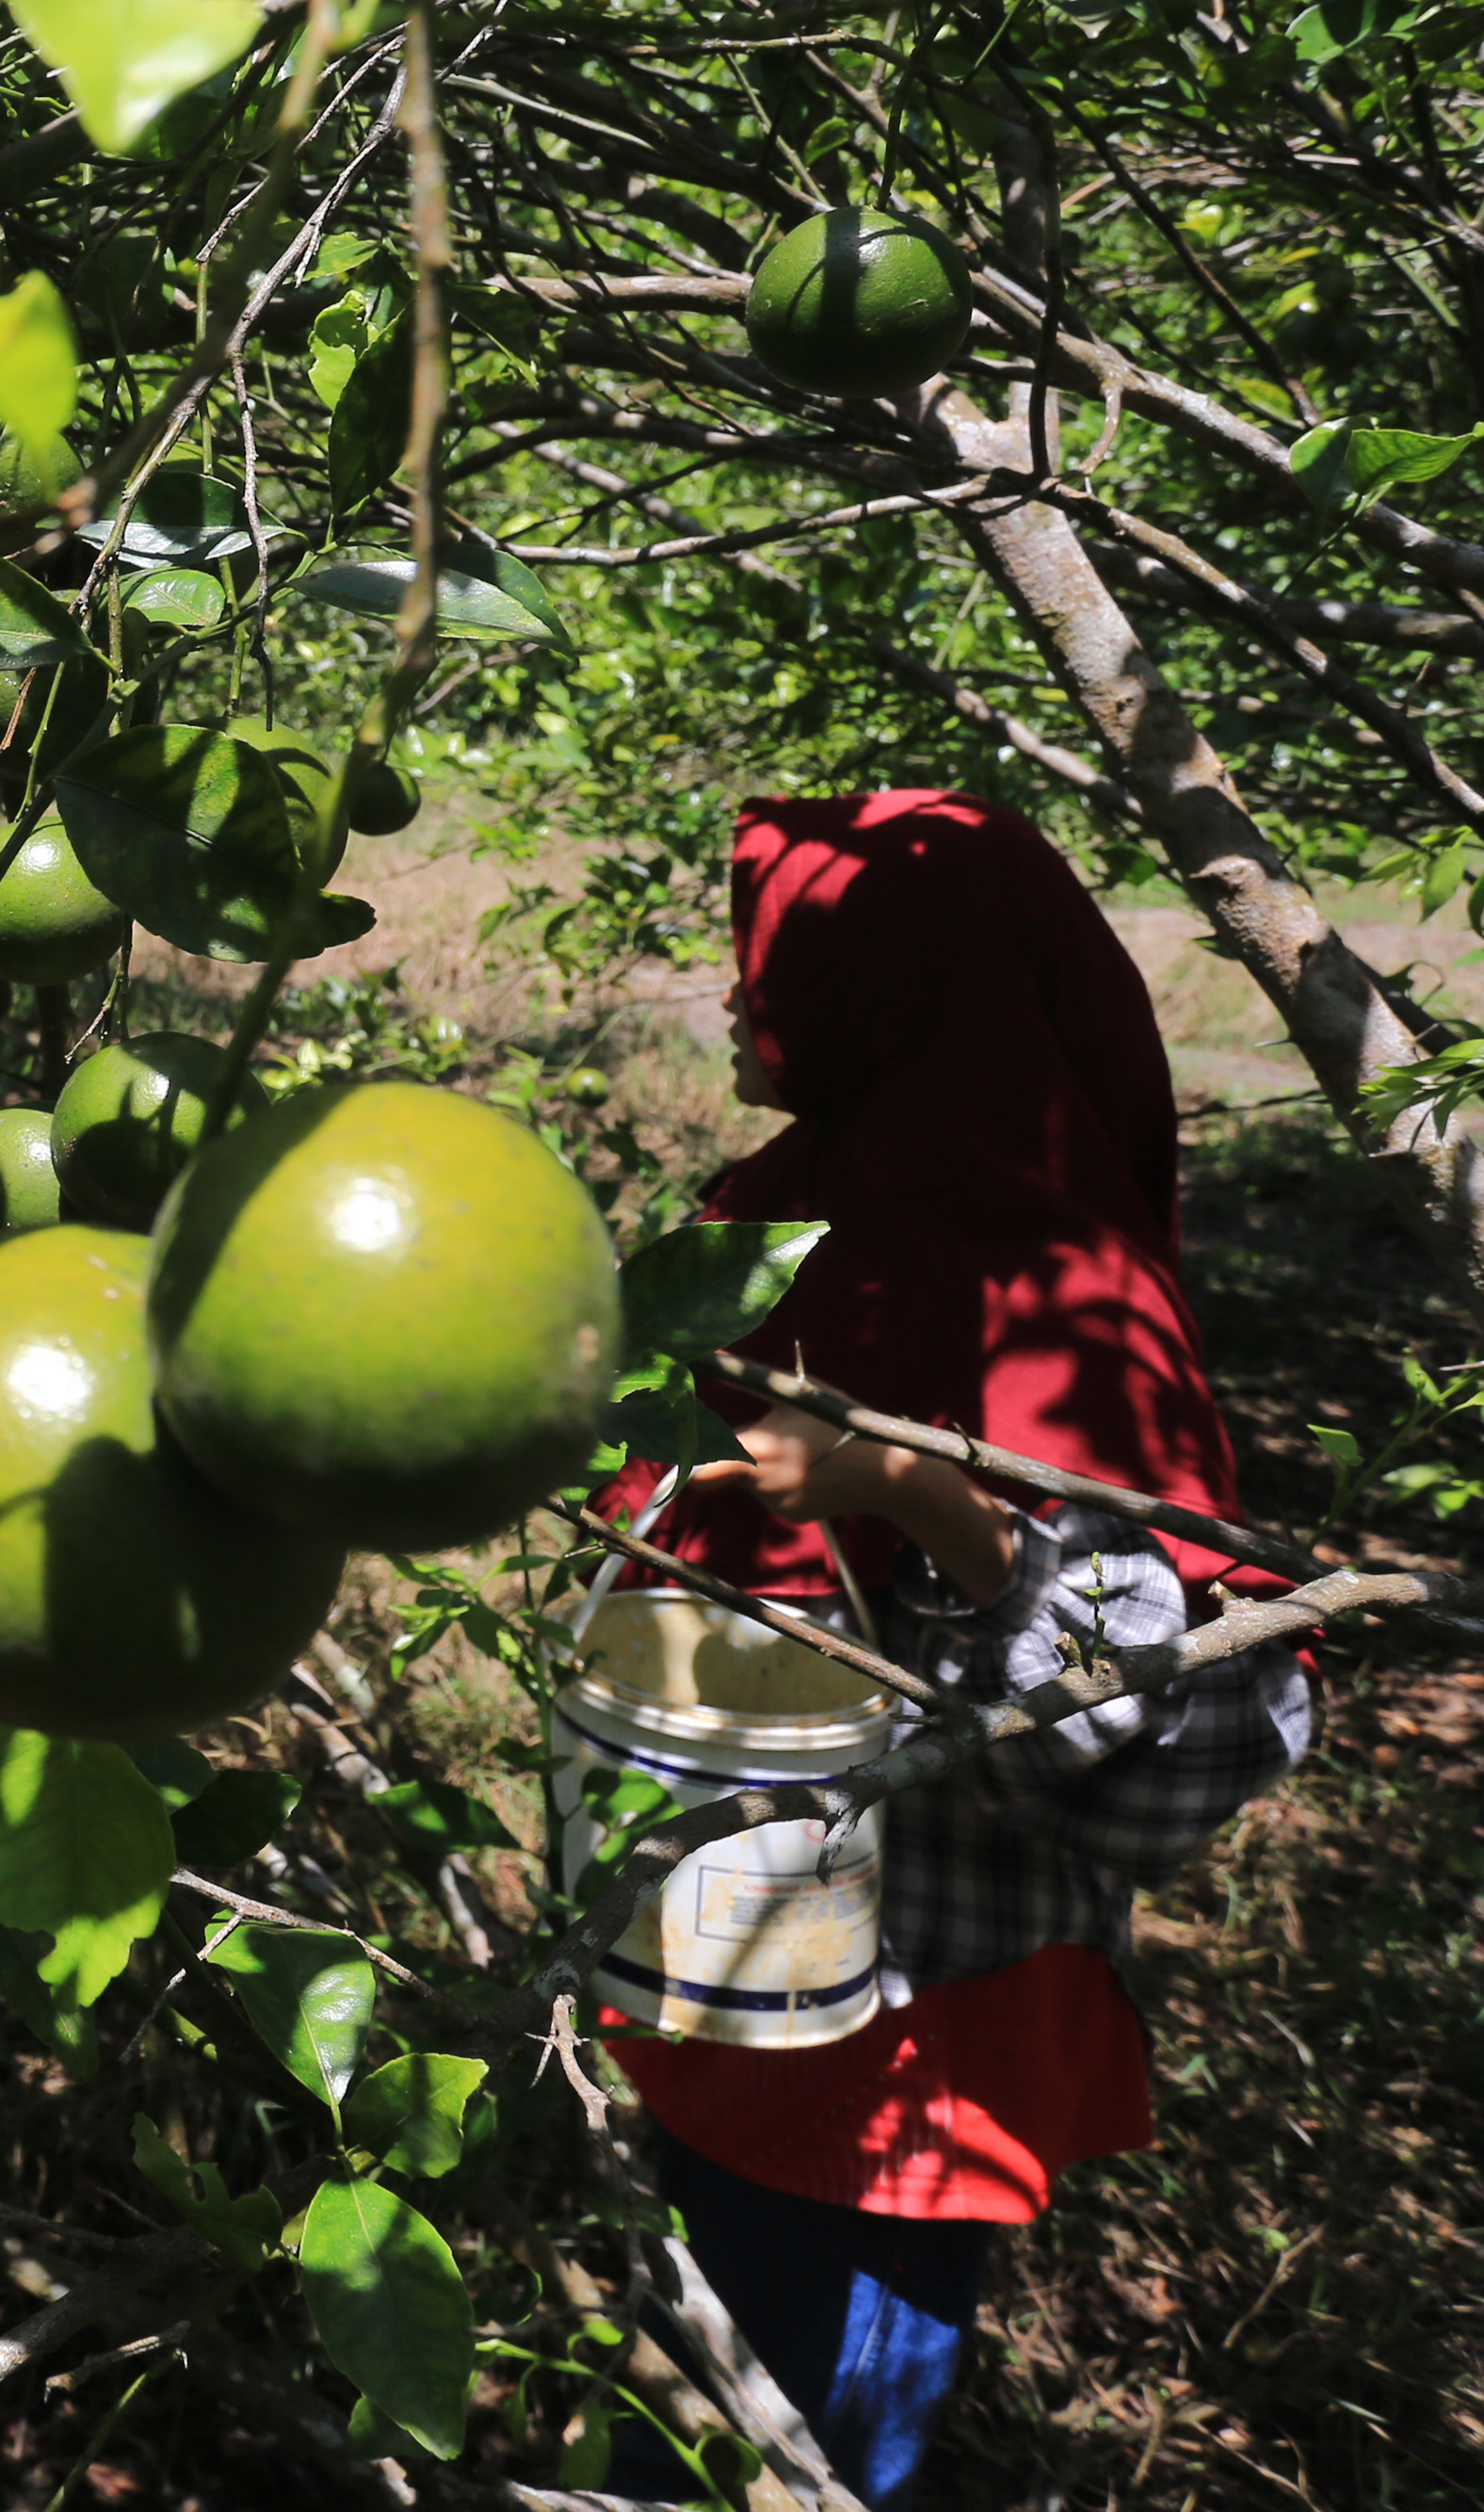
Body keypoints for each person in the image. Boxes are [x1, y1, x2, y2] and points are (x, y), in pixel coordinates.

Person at [590, 790, 1312, 2508]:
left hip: (897, 2048)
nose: (736, 994)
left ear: (902, 984)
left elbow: (1196, 1742)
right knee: (690, 2415)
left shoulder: (1049, 1285)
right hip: (724, 1983)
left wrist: (917, 1494)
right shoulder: (782, 1215)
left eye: (776, 957)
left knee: (791, 2454)